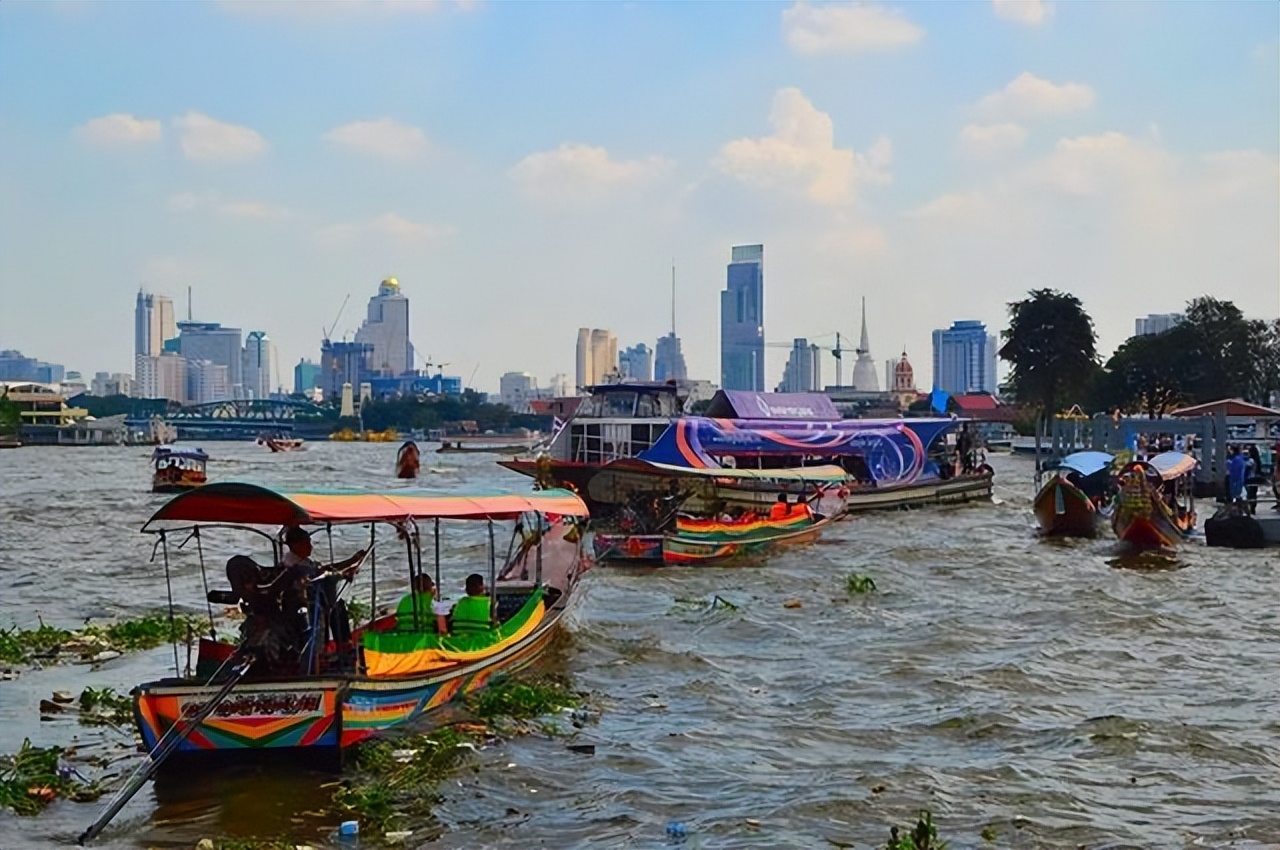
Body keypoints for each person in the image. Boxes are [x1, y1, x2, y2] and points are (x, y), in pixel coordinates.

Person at [1245, 445, 1262, 515]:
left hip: (1250, 479)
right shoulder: (1258, 461)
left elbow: (1246, 467)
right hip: (1256, 479)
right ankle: (1253, 508)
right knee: (1254, 494)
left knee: (1249, 495)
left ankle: (1249, 508)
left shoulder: (1251, 460)